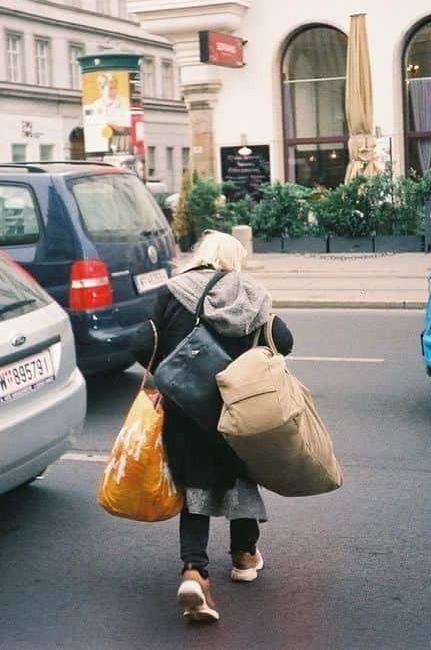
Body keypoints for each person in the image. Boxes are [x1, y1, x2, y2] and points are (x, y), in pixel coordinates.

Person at [132, 230, 294, 625]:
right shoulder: (253, 294)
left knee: (196, 487)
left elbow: (140, 342)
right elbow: (283, 341)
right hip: (240, 405)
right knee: (240, 477)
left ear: (199, 255)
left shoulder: (172, 293)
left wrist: (164, 373)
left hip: (187, 406)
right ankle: (243, 558)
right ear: (236, 259)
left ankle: (194, 571)